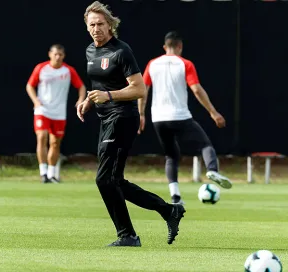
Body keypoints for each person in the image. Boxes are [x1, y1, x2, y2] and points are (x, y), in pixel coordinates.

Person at [77, 1, 185, 247]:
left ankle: (128, 235)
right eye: (91, 24)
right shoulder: (90, 51)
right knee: (115, 181)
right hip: (106, 118)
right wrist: (88, 101)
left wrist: (110, 96)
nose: (96, 28)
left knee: (104, 179)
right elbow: (98, 85)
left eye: (101, 24)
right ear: (87, 27)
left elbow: (139, 88)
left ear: (110, 25)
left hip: (123, 117)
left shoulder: (121, 51)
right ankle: (169, 211)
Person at [140, 31, 232, 205]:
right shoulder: (185, 64)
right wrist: (213, 112)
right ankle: (212, 170)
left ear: (165, 47)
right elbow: (196, 89)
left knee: (171, 156)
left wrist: (141, 114)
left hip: (158, 118)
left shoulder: (152, 64)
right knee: (205, 144)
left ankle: (175, 196)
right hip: (180, 115)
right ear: (180, 46)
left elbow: (143, 90)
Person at [26, 44, 86, 184]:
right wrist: (36, 101)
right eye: (55, 54)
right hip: (42, 110)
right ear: (50, 54)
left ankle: (52, 174)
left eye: (60, 54)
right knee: (42, 137)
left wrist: (80, 100)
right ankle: (43, 173)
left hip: (59, 113)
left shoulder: (68, 70)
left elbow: (81, 86)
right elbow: (29, 85)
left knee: (55, 143)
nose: (57, 57)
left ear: (63, 56)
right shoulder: (41, 68)